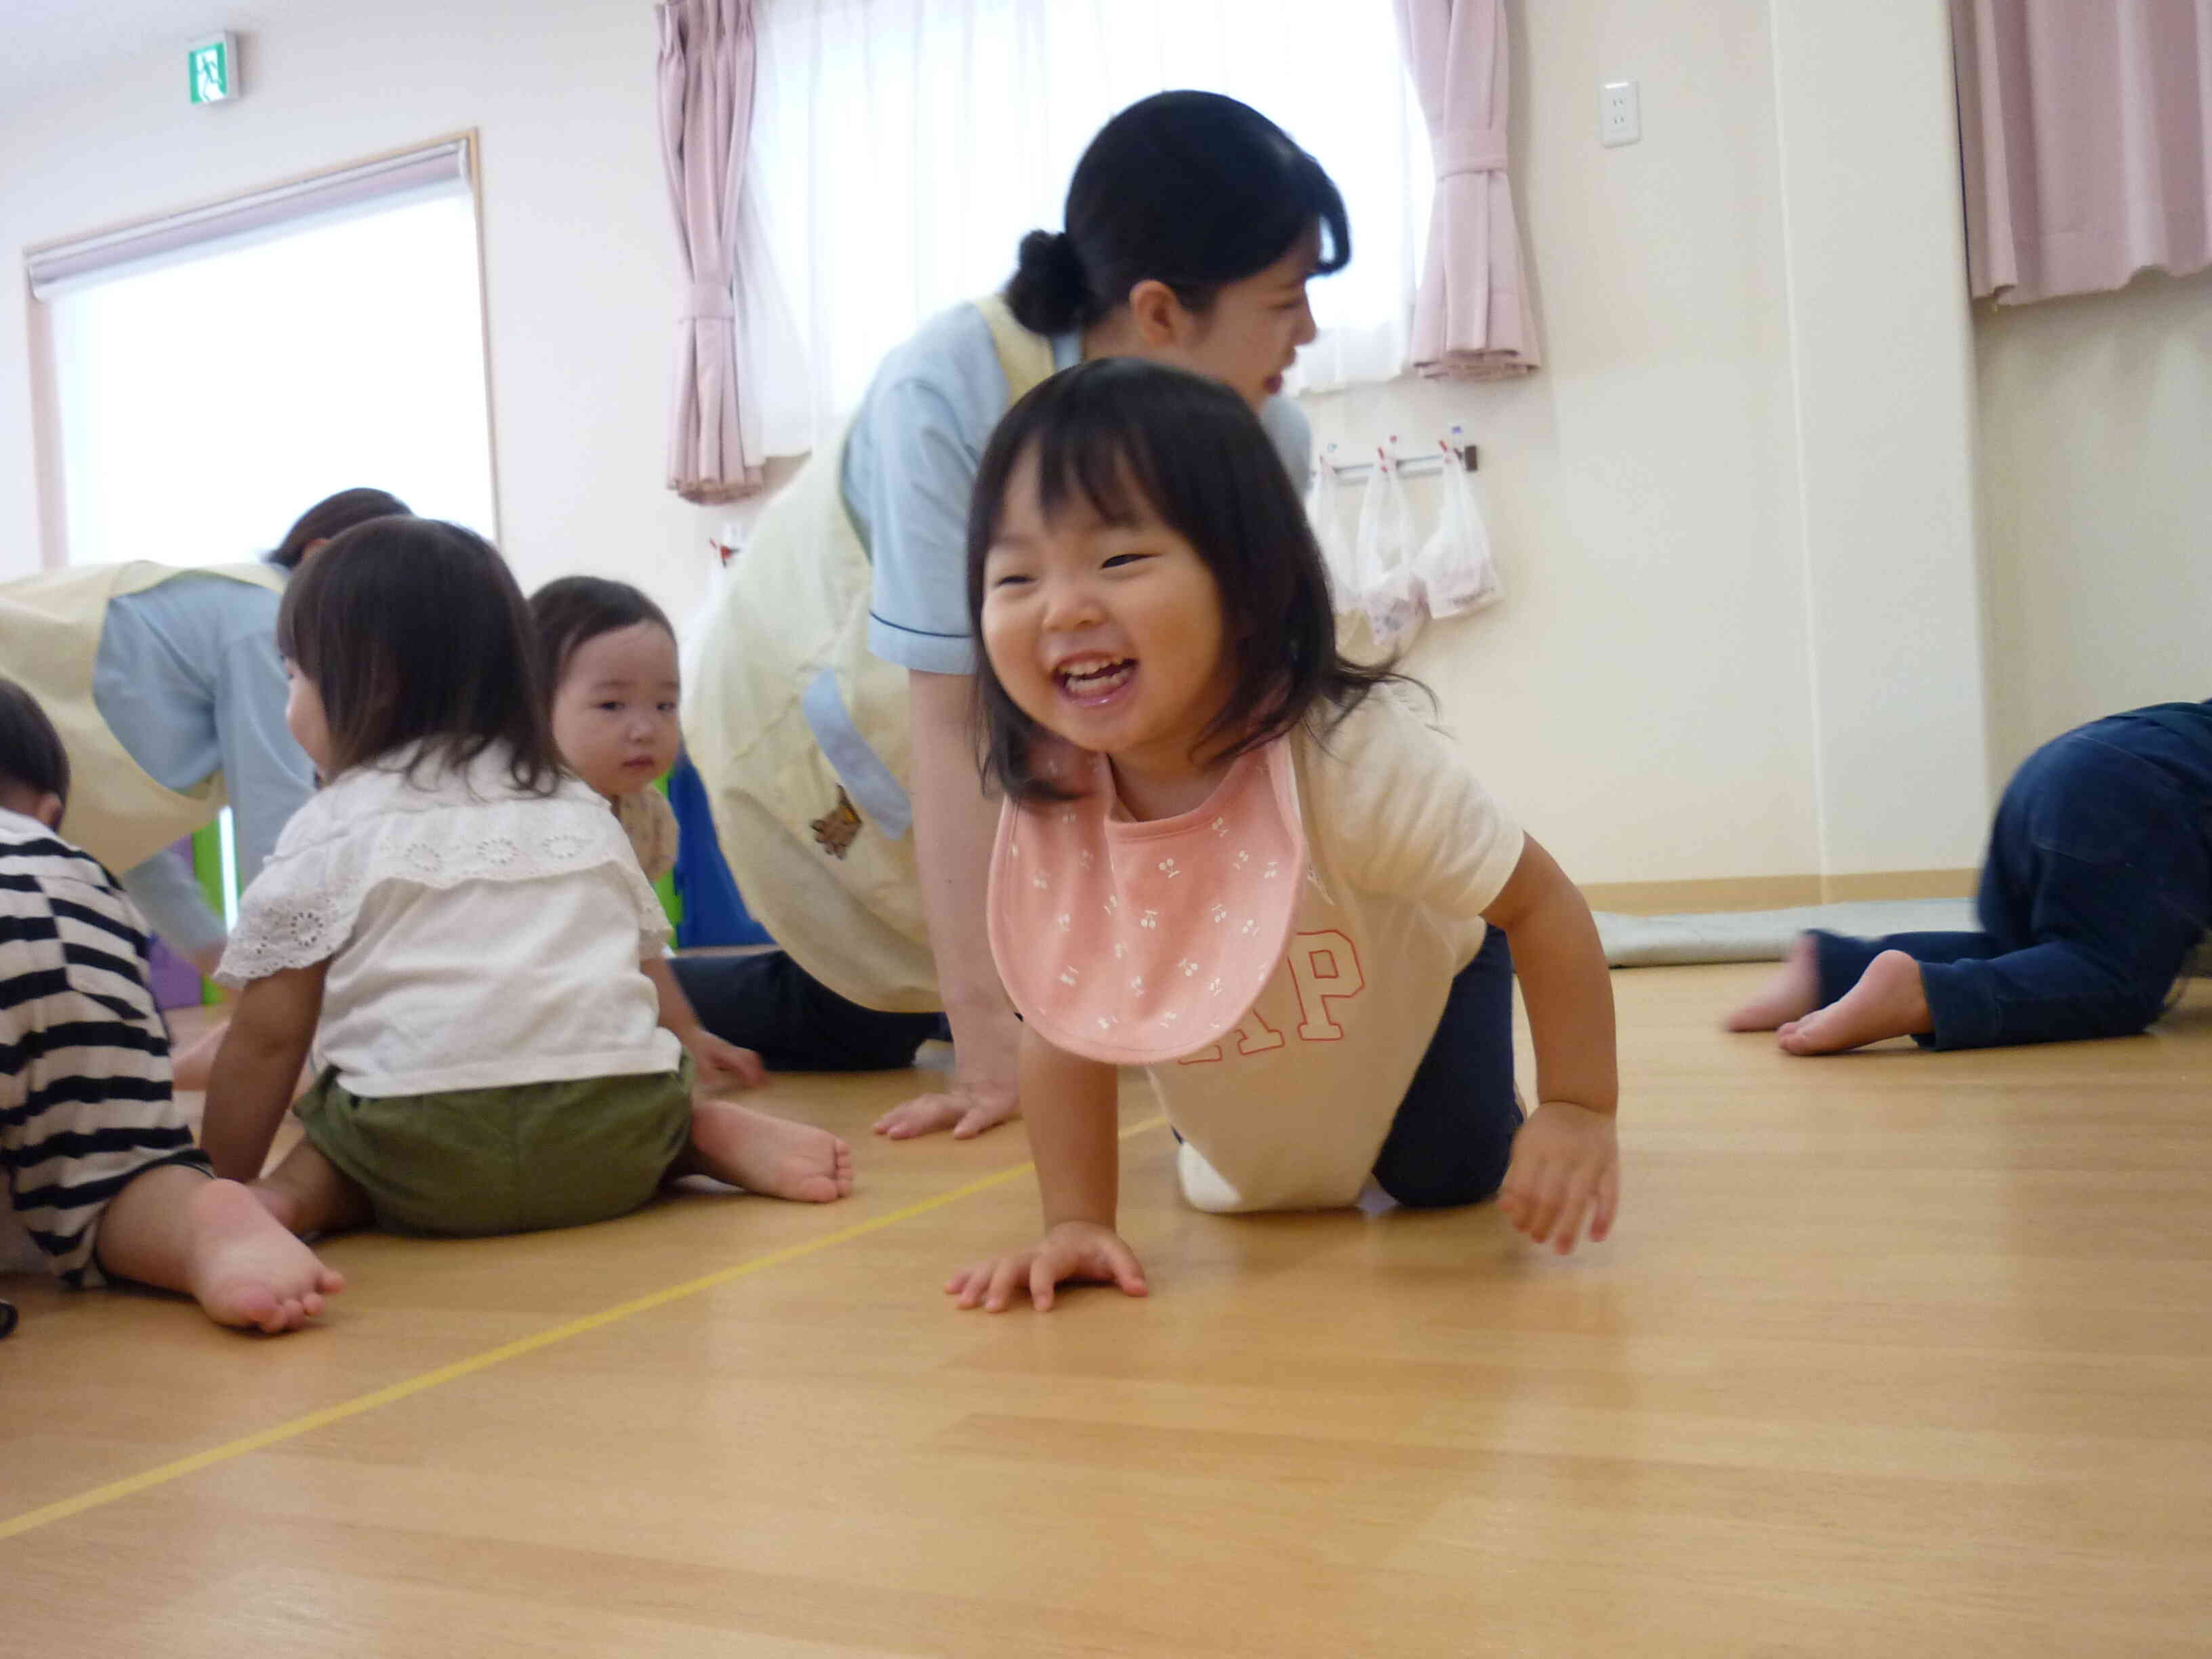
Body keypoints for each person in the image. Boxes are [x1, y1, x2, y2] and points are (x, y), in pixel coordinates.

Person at [686, 91, 1347, 1143]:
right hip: (835, 725)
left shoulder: (1274, 439)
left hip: (1025, 730)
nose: (1309, 332)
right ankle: (645, 1000)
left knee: (1049, 971)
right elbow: (950, 721)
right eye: (1285, 298)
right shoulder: (949, 388)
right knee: (865, 1004)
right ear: (1163, 310)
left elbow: (1264, 715)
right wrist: (991, 1050)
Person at [941, 361, 1622, 1313]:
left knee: (1449, 1173)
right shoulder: (1057, 801)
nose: (1062, 607)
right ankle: (1239, 1119)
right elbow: (1066, 1022)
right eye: (1015, 575)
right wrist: (1076, 1222)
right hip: (1240, 1027)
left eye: (1120, 560)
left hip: (1419, 988)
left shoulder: (1349, 759)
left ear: (1251, 584)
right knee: (1261, 1190)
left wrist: (1578, 1109)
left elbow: (1540, 905)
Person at [198, 519, 853, 1246]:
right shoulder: (575, 805)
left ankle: (281, 1206)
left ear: (359, 683)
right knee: (623, 1094)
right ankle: (693, 1138)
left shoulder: (332, 825)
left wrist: (216, 1184)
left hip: (418, 1149)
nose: (289, 702)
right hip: (617, 1134)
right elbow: (633, 965)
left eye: (294, 677)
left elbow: (266, 1039)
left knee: (330, 1157)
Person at [0, 676, 343, 1332]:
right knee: (111, 1170)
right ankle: (199, 1228)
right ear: (46, 812)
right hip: (70, 913)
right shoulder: (57, 858)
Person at [530, 575, 939, 1072]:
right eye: (611, 706)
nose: (646, 729)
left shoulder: (642, 813)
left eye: (665, 705)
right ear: (532, 705)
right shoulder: (532, 817)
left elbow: (640, 948)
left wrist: (688, 1034)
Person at [0, 488, 409, 977]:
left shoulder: (227, 629)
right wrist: (290, 983)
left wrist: (219, 958)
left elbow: (123, 835)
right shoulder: (268, 622)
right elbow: (275, 820)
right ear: (319, 557)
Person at [1726, 699, 2212, 1053]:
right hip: (2137, 794)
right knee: (2114, 979)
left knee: (2035, 957)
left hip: (2058, 769)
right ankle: (1926, 997)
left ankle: (1835, 969)